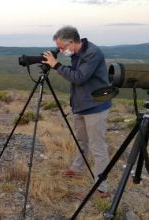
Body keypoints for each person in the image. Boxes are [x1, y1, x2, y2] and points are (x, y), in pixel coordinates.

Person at [42, 26, 111, 198]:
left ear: (71, 42)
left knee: (98, 147)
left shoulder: (92, 53)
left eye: (61, 47)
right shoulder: (76, 54)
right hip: (80, 105)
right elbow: (74, 75)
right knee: (81, 140)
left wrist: (56, 65)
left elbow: (79, 77)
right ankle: (77, 169)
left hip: (95, 105)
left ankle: (101, 189)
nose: (60, 50)